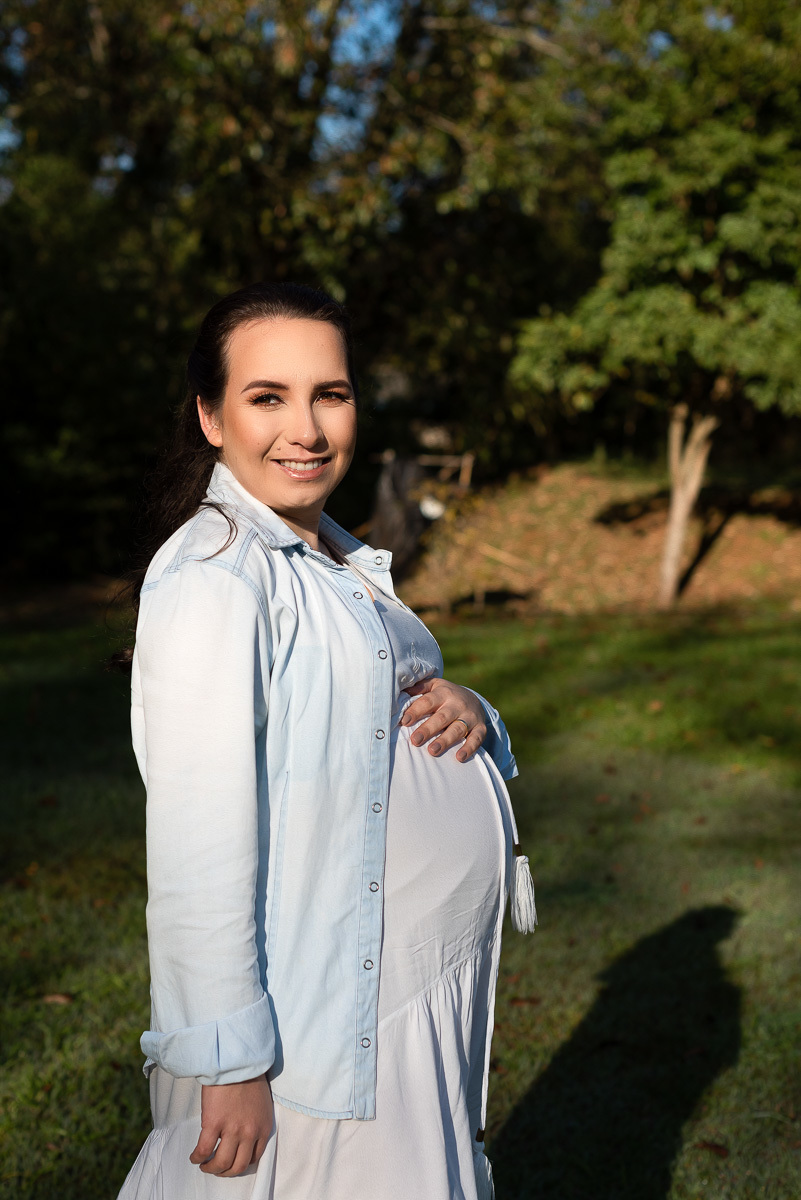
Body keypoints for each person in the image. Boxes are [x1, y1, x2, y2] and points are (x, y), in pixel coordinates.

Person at [116, 282, 536, 1200]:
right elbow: (197, 846)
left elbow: (382, 701)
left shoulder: (332, 553)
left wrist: (467, 705)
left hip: (397, 996)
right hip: (320, 1025)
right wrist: (227, 1065)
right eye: (266, 397)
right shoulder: (219, 579)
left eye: (330, 395)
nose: (304, 427)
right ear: (210, 417)